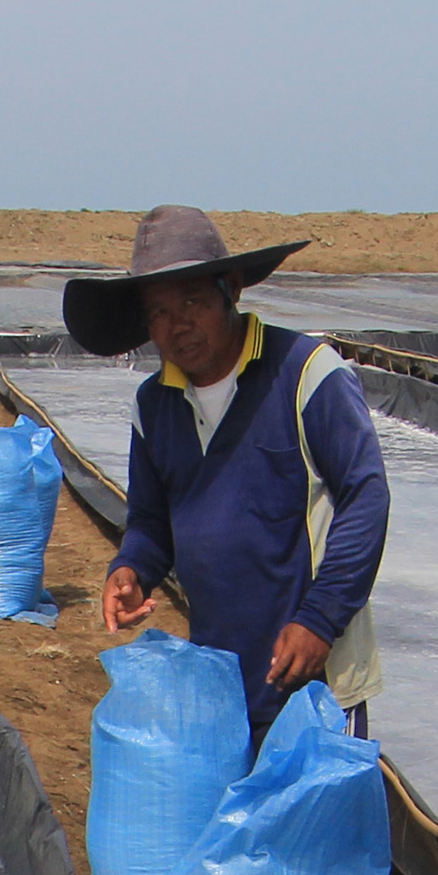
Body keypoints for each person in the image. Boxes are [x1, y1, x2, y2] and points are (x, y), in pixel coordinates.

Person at [64, 205, 387, 736]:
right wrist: (131, 570)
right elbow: (150, 520)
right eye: (159, 312)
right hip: (222, 678)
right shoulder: (154, 405)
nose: (177, 326)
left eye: (192, 301)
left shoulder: (306, 375)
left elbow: (366, 497)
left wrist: (319, 620)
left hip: (315, 681)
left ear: (231, 289)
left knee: (307, 820)